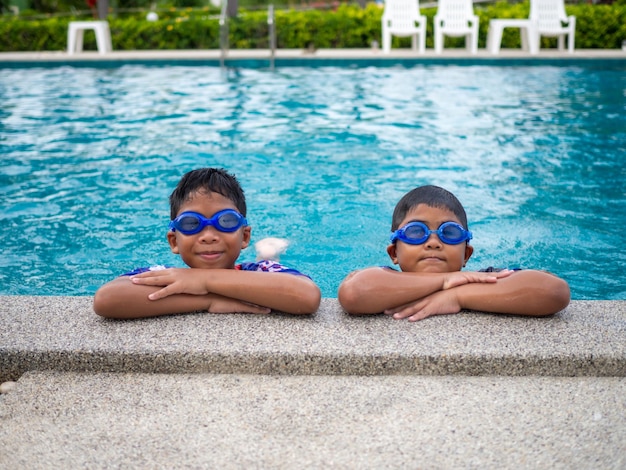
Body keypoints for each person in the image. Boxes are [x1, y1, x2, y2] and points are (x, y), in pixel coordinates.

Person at [93, 168, 321, 319]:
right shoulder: (168, 276)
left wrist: (203, 279)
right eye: (192, 224)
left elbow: (307, 297)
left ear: (244, 237)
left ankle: (267, 252)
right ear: (174, 240)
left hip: (254, 270)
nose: (209, 235)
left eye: (226, 221)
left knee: (268, 260)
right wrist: (210, 299)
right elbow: (107, 299)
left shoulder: (262, 271)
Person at [338, 185, 570, 321]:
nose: (433, 242)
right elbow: (354, 293)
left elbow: (553, 291)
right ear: (394, 253)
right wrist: (446, 279)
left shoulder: (479, 280)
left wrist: (456, 296)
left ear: (466, 254)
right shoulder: (386, 279)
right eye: (416, 232)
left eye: (449, 233)